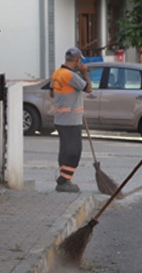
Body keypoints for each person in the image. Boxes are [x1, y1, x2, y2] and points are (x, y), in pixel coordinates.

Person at [50, 47, 92, 193]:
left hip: (60, 118)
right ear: (77, 60)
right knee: (74, 151)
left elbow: (51, 92)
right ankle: (64, 181)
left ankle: (64, 178)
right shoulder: (70, 75)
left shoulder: (57, 73)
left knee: (65, 150)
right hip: (71, 120)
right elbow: (88, 89)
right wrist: (85, 73)